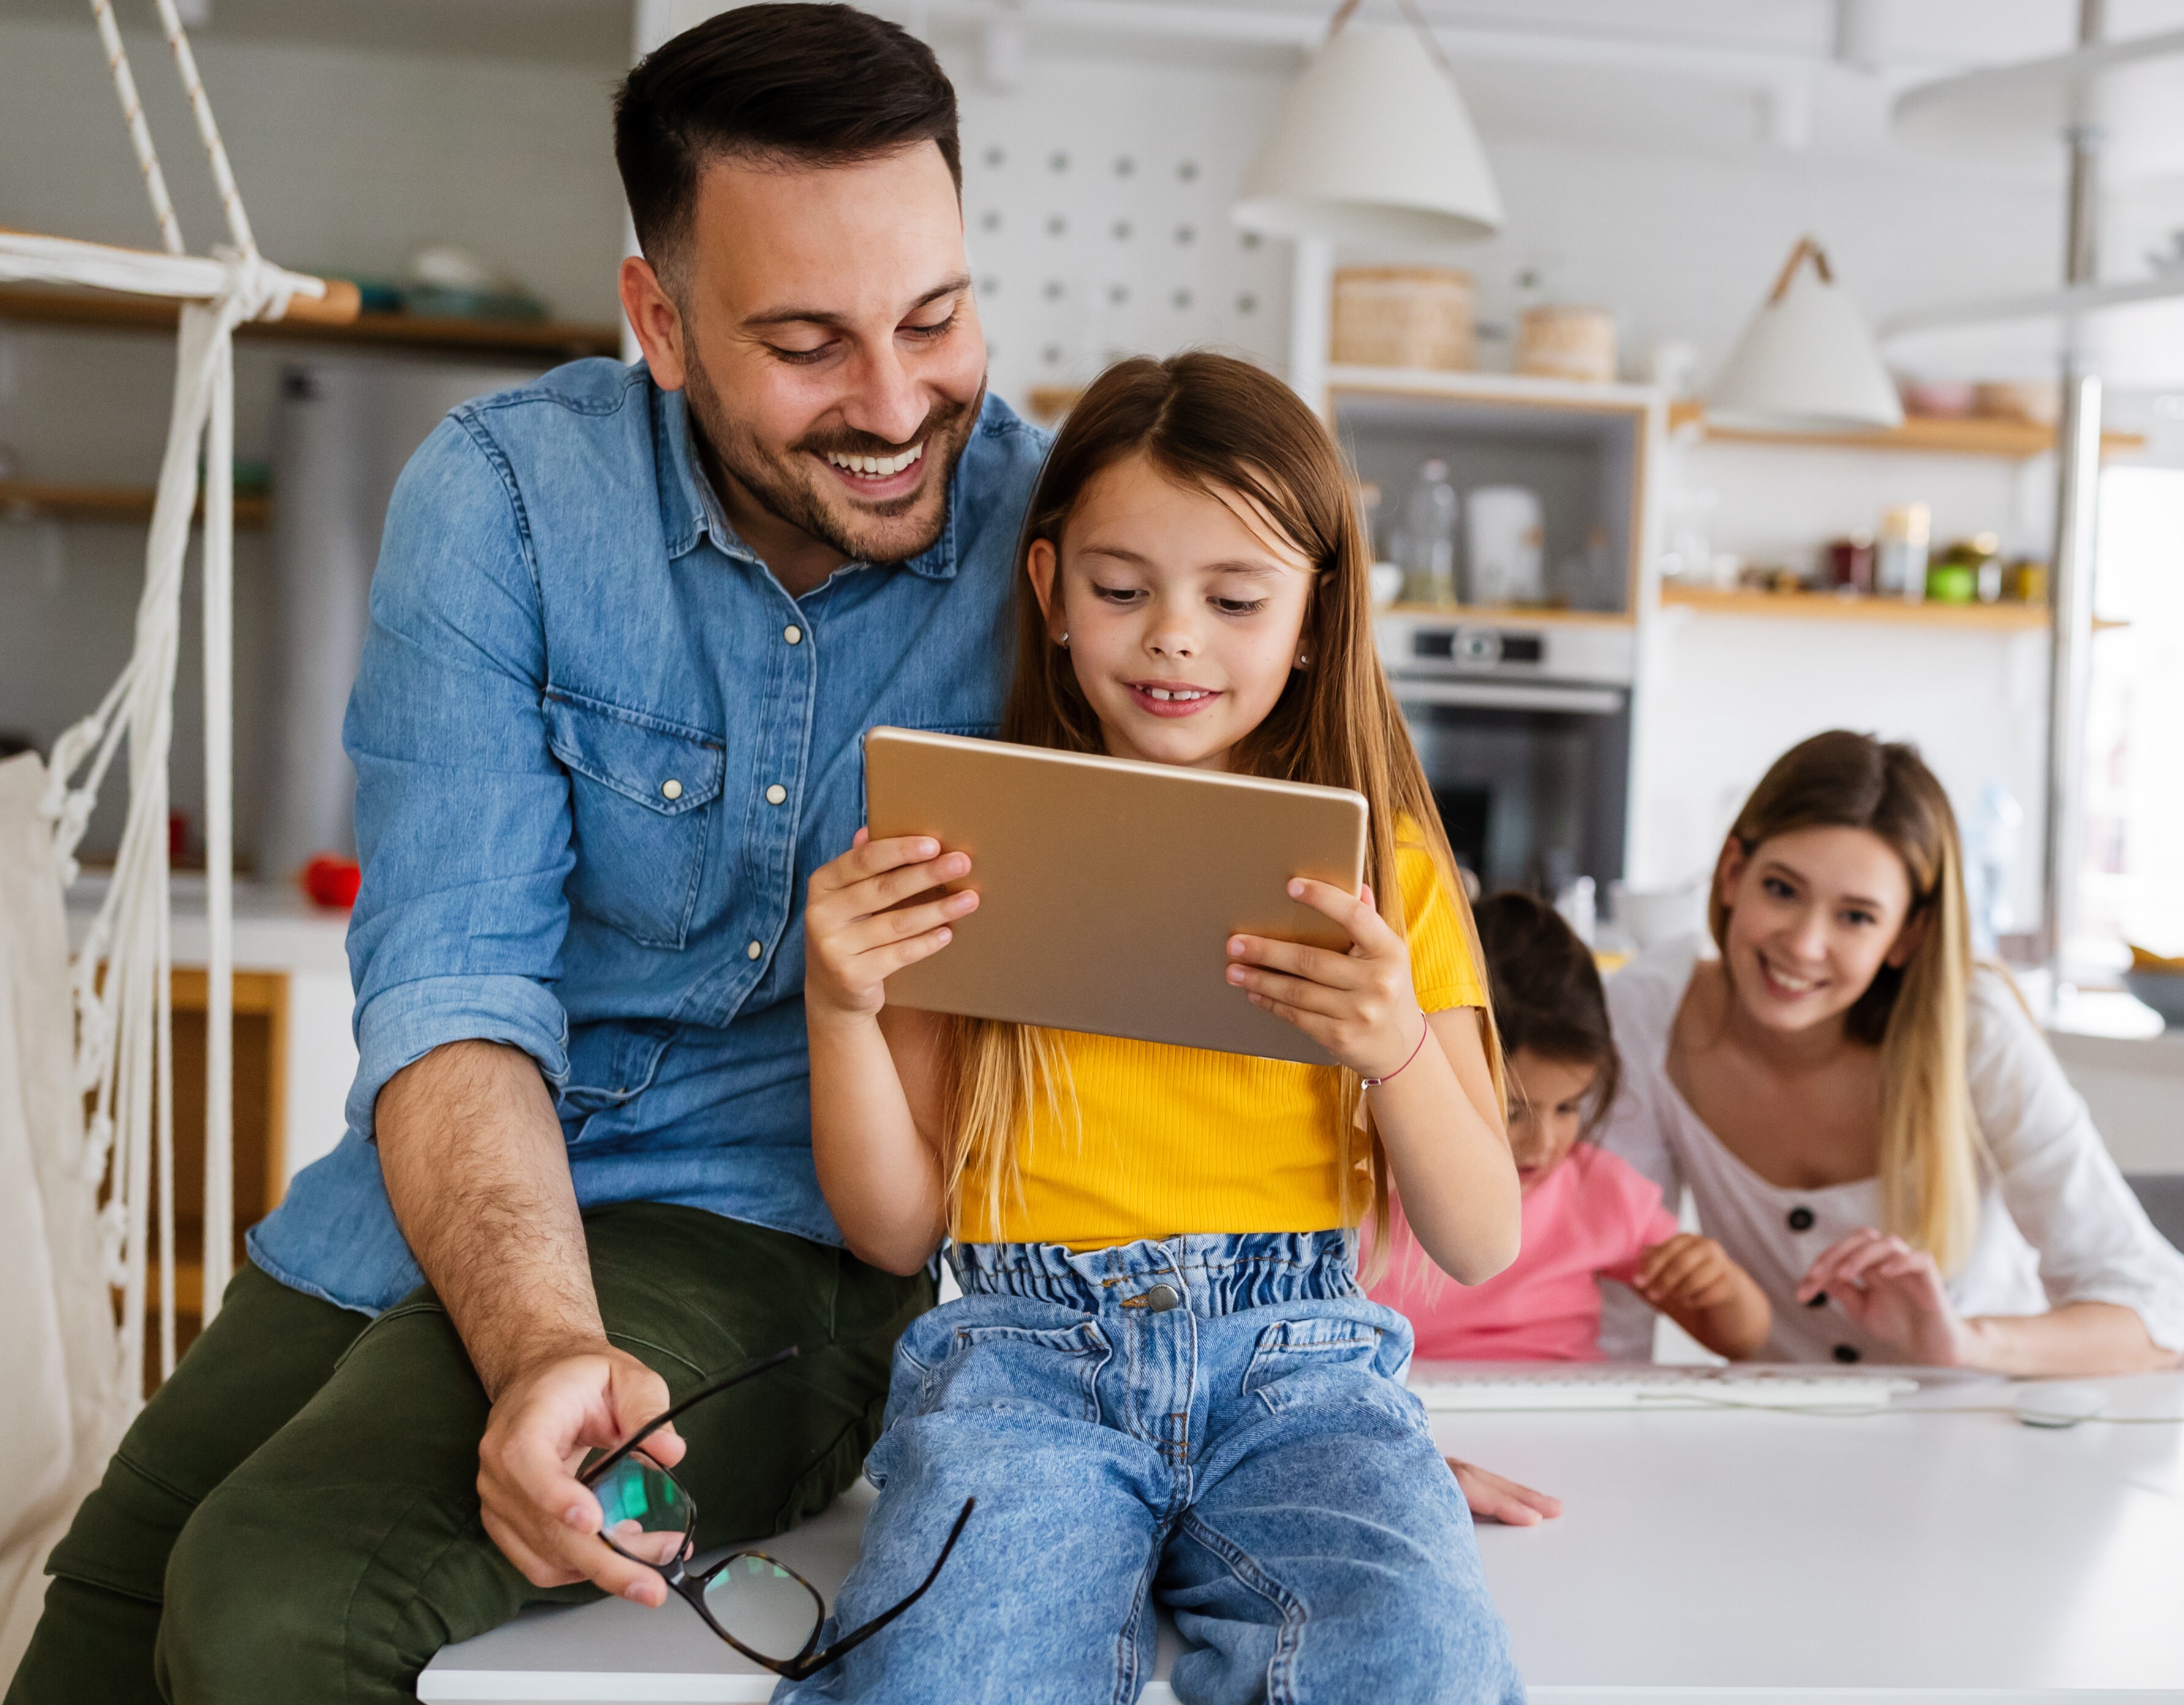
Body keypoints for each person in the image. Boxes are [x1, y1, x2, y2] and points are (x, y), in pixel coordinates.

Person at [4, 12, 1048, 1702]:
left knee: (282, 1608)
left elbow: (1271, 938)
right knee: (98, 1636)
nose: (893, 400)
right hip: (426, 1202)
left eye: (934, 318)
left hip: (778, 1242)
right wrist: (543, 1332)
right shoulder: (498, 496)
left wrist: (1278, 1403)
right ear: (660, 320)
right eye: (804, 342)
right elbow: (455, 979)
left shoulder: (1076, 554)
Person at [788, 352, 1524, 1701]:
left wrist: (1396, 1051)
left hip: (1302, 1364)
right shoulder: (975, 846)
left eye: (1234, 598)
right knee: (947, 1670)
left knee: (1420, 1656)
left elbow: (1480, 1234)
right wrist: (840, 1001)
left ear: (1312, 617)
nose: (1173, 634)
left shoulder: (1390, 870)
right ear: (1051, 591)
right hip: (1024, 1362)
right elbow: (896, 1227)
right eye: (1124, 590)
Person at [1593, 732, 2184, 1372]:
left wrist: (1964, 1342)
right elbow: (1606, 1283)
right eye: (1781, 889)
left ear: (1908, 933)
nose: (1803, 943)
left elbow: (2154, 1314)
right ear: (1733, 873)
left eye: (1855, 917)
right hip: (1773, 1441)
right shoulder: (1647, 1008)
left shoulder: (1972, 1026)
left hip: (1975, 1428)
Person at [1371, 891, 1770, 1361]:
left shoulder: (1597, 1192)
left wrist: (1723, 1287)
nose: (1543, 1144)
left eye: (1568, 1107)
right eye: (1514, 1111)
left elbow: (1740, 1340)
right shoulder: (1363, 1196)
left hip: (1566, 1421)